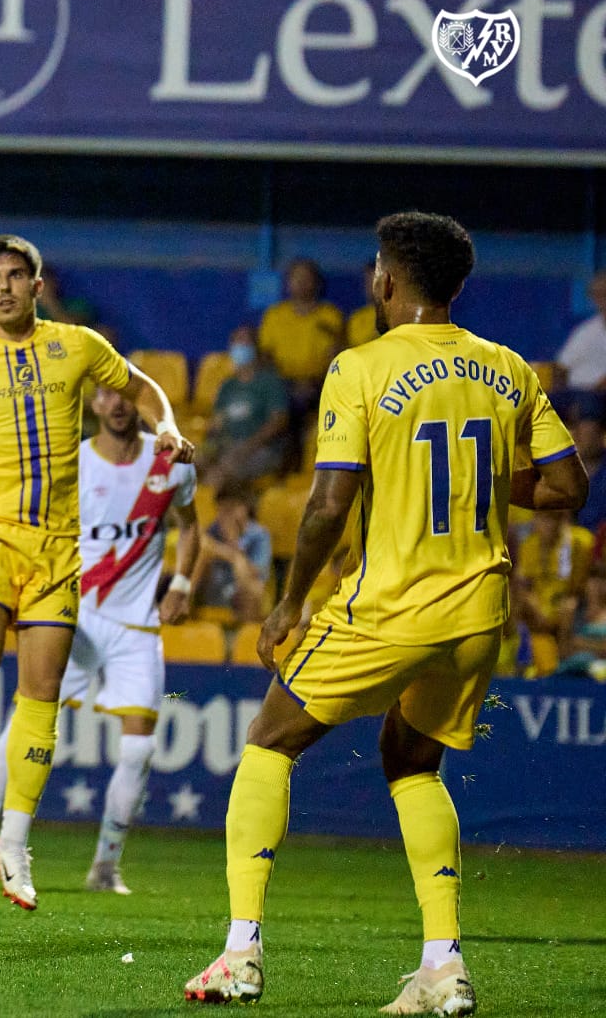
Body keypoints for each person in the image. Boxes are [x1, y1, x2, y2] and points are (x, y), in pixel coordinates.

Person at [184, 212, 589, 1012]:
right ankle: (443, 965)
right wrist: (485, 483)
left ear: (388, 282)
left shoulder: (360, 366)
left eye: (375, 269)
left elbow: (331, 500)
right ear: (457, 287)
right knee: (412, 761)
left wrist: (290, 602)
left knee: (268, 744)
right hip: (478, 613)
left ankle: (239, 953)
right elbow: (567, 488)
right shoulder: (507, 366)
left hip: (391, 606)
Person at [0, 233, 193, 911]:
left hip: (58, 546)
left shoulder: (77, 345)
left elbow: (136, 384)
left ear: (36, 284)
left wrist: (164, 423)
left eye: (14, 276)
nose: (2, 287)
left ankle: (14, 843)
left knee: (42, 691)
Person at [0, 385, 203, 896]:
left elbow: (191, 527)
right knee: (25, 720)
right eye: (105, 397)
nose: (116, 405)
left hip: (135, 626)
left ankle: (105, 867)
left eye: (125, 397)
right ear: (91, 405)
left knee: (139, 750)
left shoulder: (171, 465)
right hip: (73, 615)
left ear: (139, 403)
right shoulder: (72, 465)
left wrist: (181, 582)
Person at [204, 325, 290, 489]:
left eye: (245, 342)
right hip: (229, 446)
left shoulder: (270, 382)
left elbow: (279, 421)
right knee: (188, 466)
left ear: (255, 348)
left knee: (220, 473)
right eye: (236, 343)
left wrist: (247, 447)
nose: (239, 348)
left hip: (262, 450)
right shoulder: (228, 385)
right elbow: (217, 422)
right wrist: (207, 449)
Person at [257, 258, 343, 418]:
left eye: (307, 277)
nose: (302, 282)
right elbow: (265, 356)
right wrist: (283, 384)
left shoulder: (330, 315)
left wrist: (314, 382)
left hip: (318, 384)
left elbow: (336, 357)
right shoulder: (274, 315)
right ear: (288, 282)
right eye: (296, 277)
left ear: (317, 283)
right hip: (282, 384)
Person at [513, 508, 594, 663]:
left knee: (569, 607)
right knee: (519, 601)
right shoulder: (530, 544)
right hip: (538, 612)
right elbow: (523, 585)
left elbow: (580, 588)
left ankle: (563, 655)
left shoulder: (579, 541)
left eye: (553, 519)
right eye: (542, 519)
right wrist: (535, 606)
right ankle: (519, 655)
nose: (547, 525)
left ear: (564, 519)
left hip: (570, 605)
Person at [197, 484, 273, 625]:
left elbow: (256, 573)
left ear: (245, 508)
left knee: (253, 587)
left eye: (231, 509)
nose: (226, 515)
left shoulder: (259, 535)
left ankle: (246, 631)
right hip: (214, 589)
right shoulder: (212, 531)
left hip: (243, 593)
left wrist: (232, 545)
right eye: (222, 509)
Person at [556, 271, 606, 395]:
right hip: (575, 391)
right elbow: (562, 365)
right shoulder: (586, 330)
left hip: (597, 394)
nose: (600, 299)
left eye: (603, 293)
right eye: (596, 294)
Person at [347, 259, 380, 347]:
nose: (370, 286)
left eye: (375, 281)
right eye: (368, 281)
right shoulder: (356, 318)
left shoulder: (398, 317)